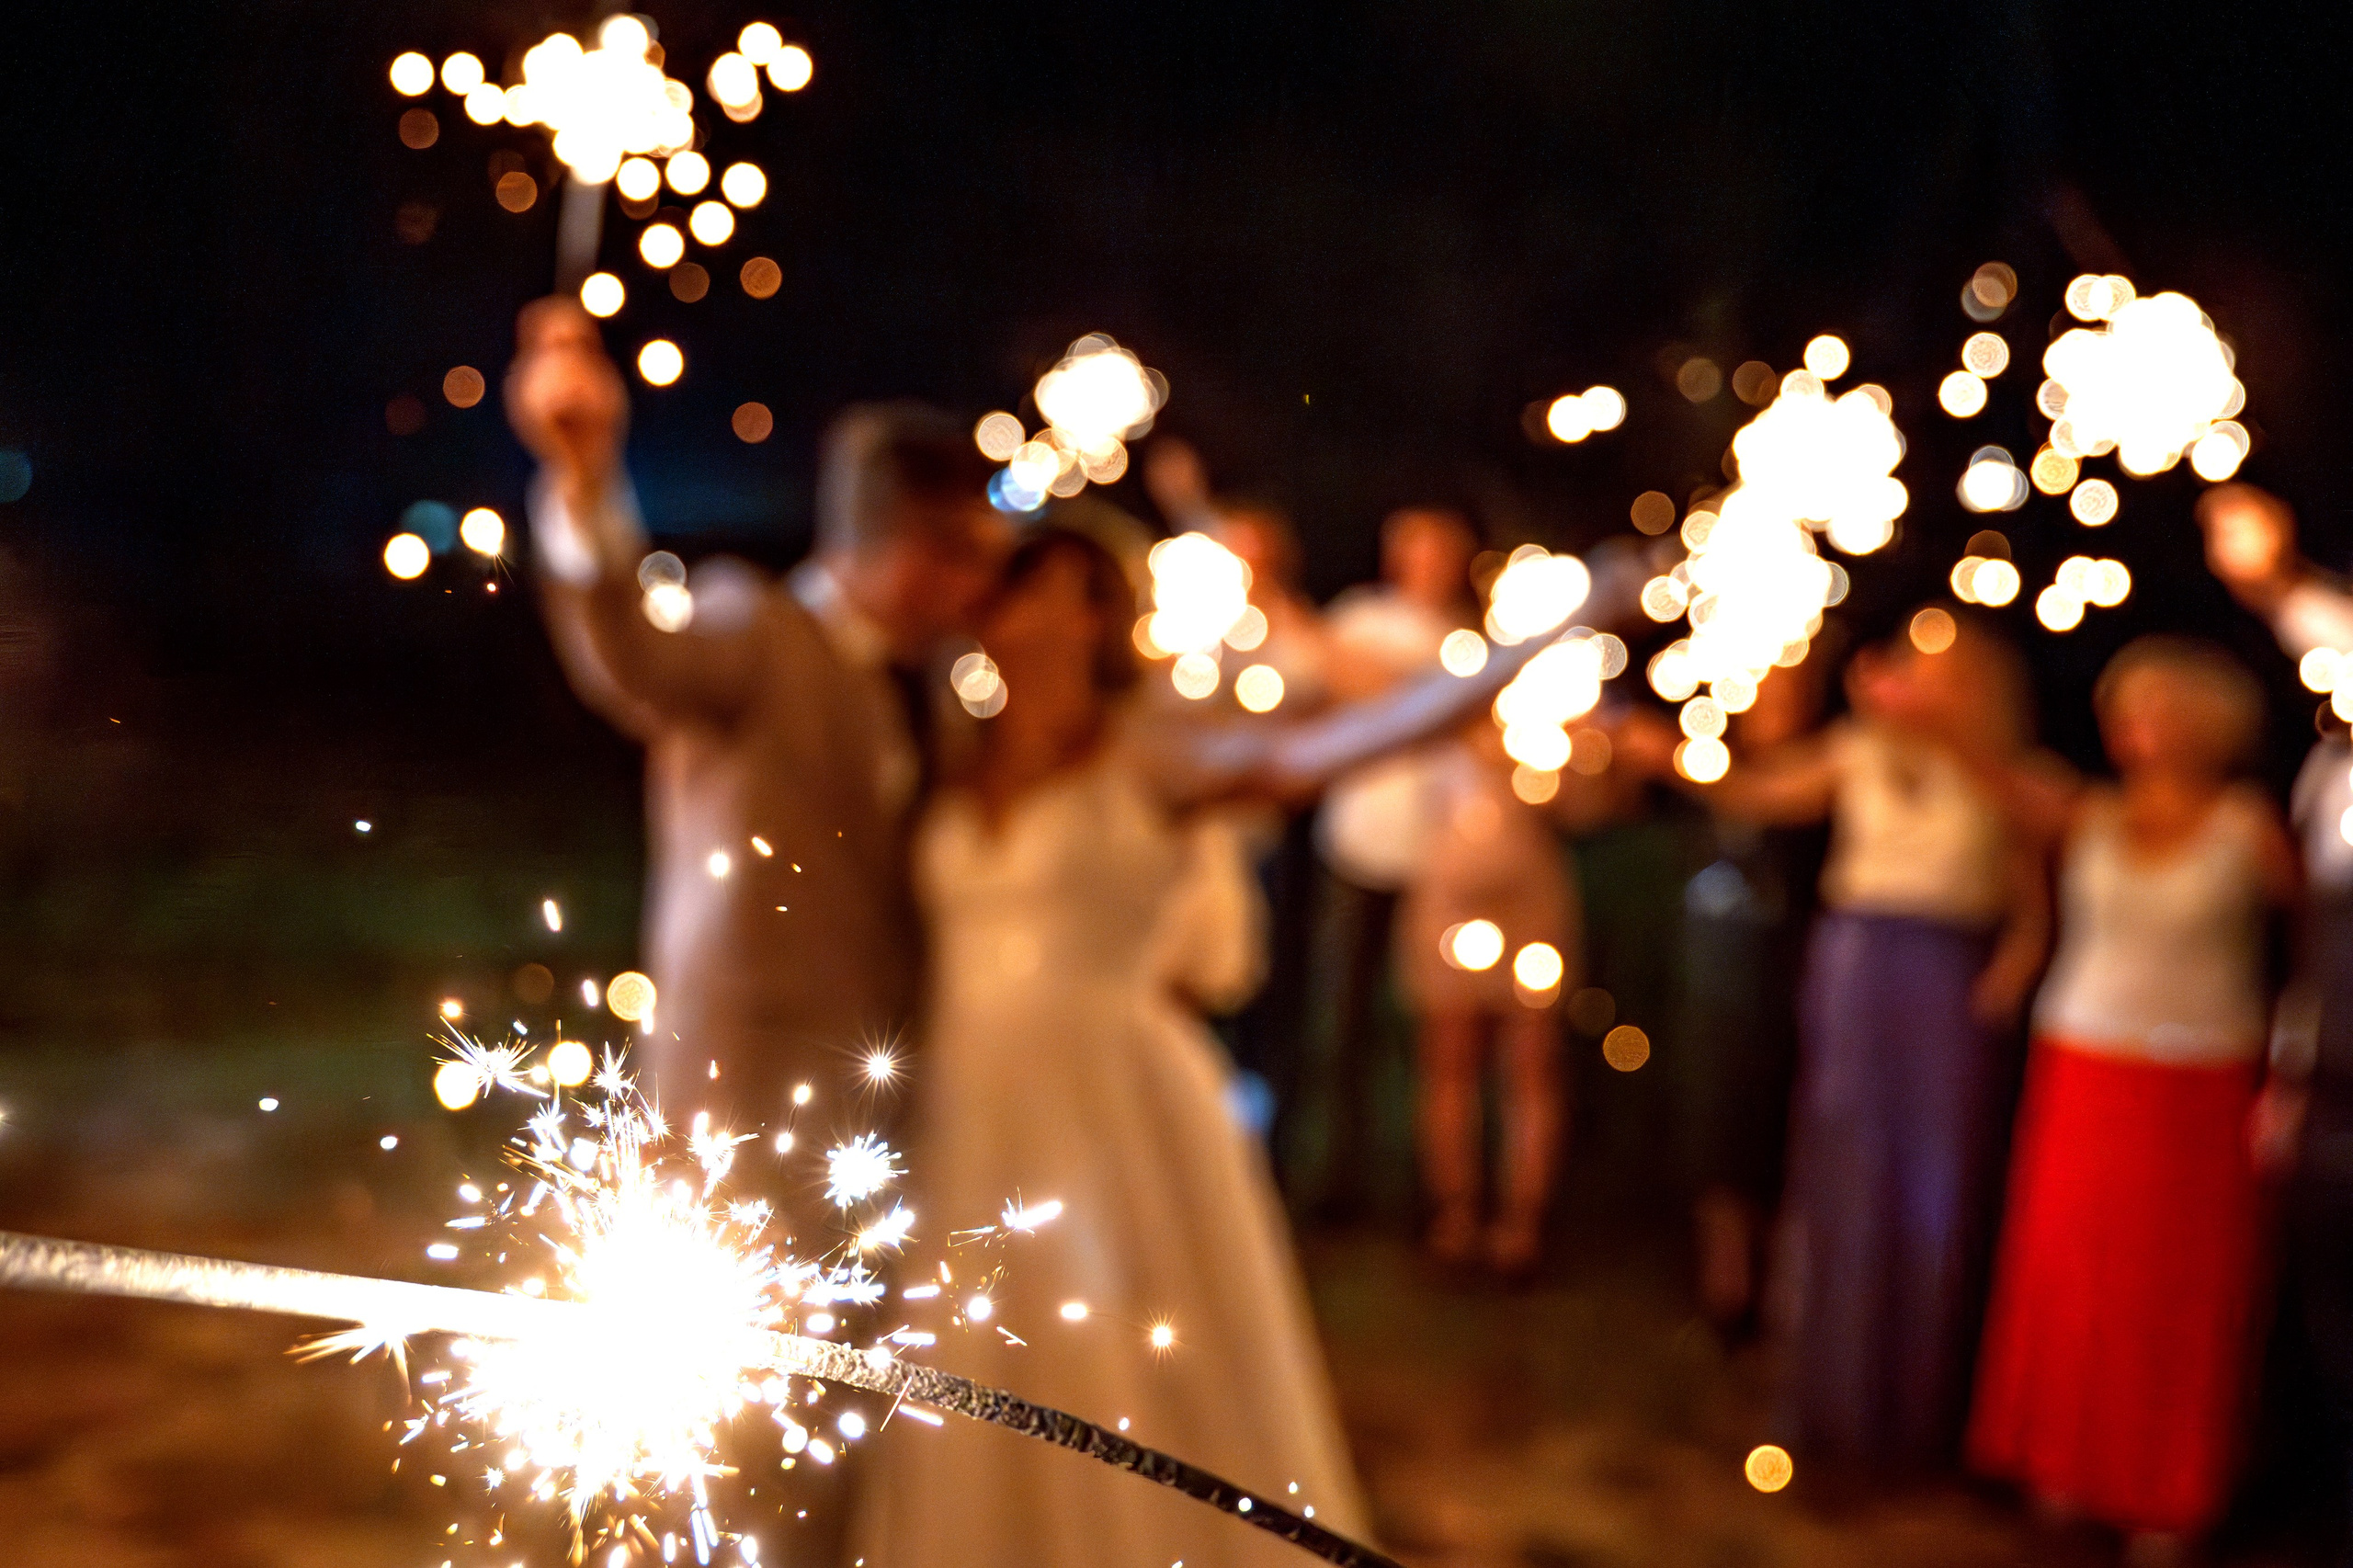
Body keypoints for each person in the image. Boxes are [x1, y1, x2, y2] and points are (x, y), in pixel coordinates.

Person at [858, 522, 1550, 1568]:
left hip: (1107, 1108)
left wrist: (1536, 644)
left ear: (1103, 619)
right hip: (966, 1111)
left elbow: (1347, 744)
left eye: (1070, 594)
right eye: (1019, 592)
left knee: (1106, 1359)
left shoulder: (1153, 753)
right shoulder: (941, 768)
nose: (1039, 617)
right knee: (976, 1351)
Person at [502, 298, 1007, 1127]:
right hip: (742, 1073)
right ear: (911, 546)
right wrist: (586, 480)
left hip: (877, 1088)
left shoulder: (943, 686)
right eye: (970, 558)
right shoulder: (754, 627)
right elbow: (635, 655)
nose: (983, 591)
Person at [1625, 612, 2048, 1466]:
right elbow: (1751, 790)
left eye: (1936, 670)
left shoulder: (2007, 774)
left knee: (1935, 1181)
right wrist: (1650, 746)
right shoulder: (1858, 751)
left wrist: (2008, 973)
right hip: (1857, 968)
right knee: (1846, 1166)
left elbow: (2035, 870)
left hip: (1945, 979)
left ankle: (1917, 1411)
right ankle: (1834, 1396)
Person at [1967, 637, 2295, 1553]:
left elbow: (2311, 952)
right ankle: (2062, 1463)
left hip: (2198, 1084)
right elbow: (1979, 759)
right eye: (2124, 705)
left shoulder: (2249, 829)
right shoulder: (2086, 812)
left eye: (2154, 705)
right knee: (2073, 1269)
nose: (2131, 725)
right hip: (2082, 1067)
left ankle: (2166, 1485)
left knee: (2175, 1290)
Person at [2198, 481, 2353, 1562]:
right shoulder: (2328, 776)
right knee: (2320, 1313)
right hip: (2332, 1092)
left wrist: (2282, 578)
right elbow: (2314, 954)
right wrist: (2289, 1078)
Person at [1306, 506, 1483, 1216]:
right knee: (1338, 1026)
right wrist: (1427, 694)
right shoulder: (1362, 617)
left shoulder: (1471, 637)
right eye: (1418, 549)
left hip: (1443, 861)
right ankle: (1330, 1182)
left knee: (1431, 1038)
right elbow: (1340, 679)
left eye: (1443, 550)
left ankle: (1420, 1192)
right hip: (1356, 846)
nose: (1429, 563)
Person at [1669, 660, 1830, 1327]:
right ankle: (1724, 1283)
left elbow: (1757, 799)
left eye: (1790, 691)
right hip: (1714, 975)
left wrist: (1665, 760)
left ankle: (1778, 1288)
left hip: (1788, 977)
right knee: (1717, 1115)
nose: (1773, 703)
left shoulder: (1821, 769)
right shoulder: (1715, 758)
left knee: (1774, 1121)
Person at [1392, 718, 1579, 1275]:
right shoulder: (1437, 718)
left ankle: (1522, 1224)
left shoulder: (1553, 721)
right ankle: (1454, 1214)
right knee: (1448, 1062)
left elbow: (1588, 807)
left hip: (1532, 911)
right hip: (1447, 911)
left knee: (1532, 1067)